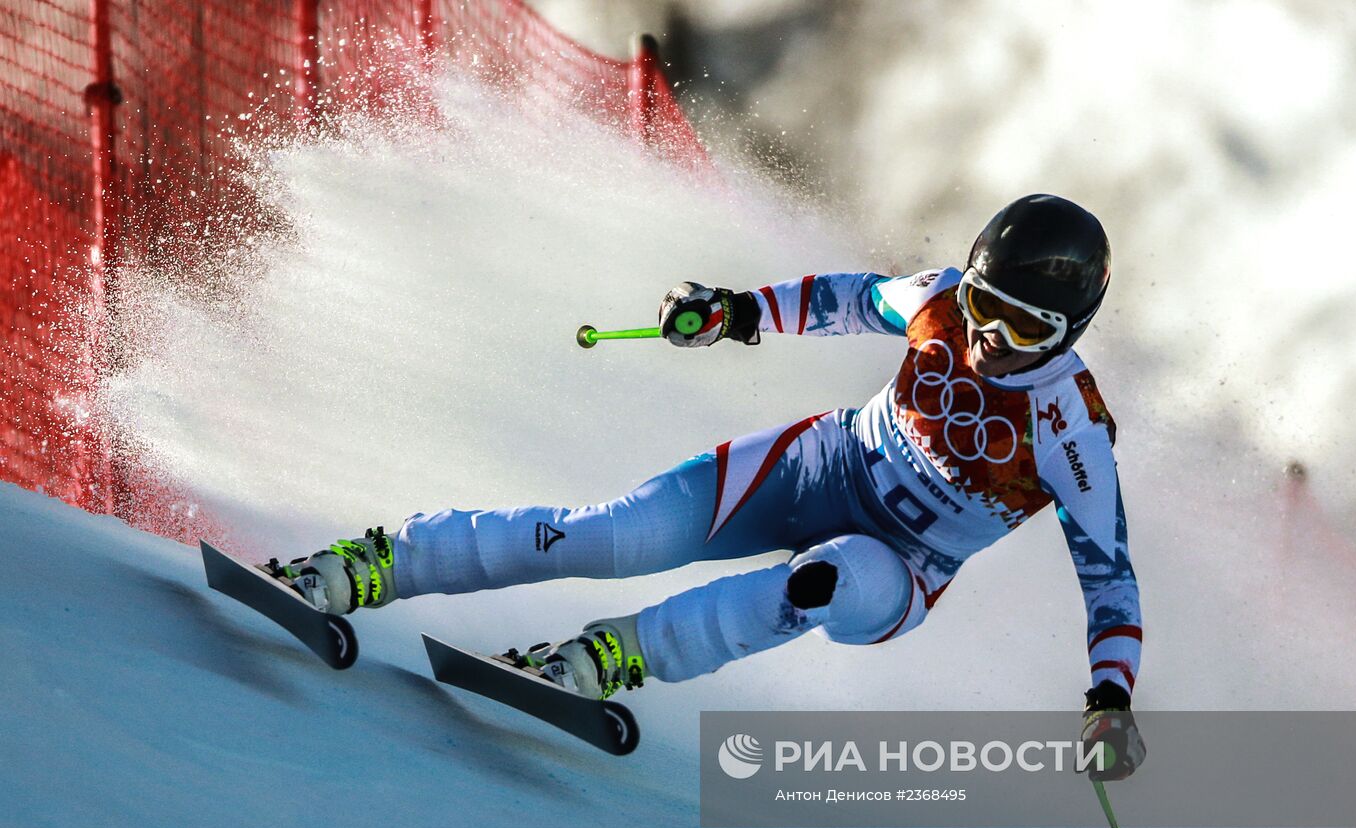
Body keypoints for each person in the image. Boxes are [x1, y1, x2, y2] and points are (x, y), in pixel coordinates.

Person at [273, 193, 1145, 779]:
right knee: (613, 534)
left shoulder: (1074, 433)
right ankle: (368, 563)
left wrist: (1109, 698)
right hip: (825, 462)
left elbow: (1110, 581)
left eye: (1024, 324)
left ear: (1070, 331)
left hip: (903, 564)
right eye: (985, 301)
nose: (988, 334)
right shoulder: (939, 301)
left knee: (820, 579)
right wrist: (731, 312)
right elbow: (844, 299)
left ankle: (609, 657)